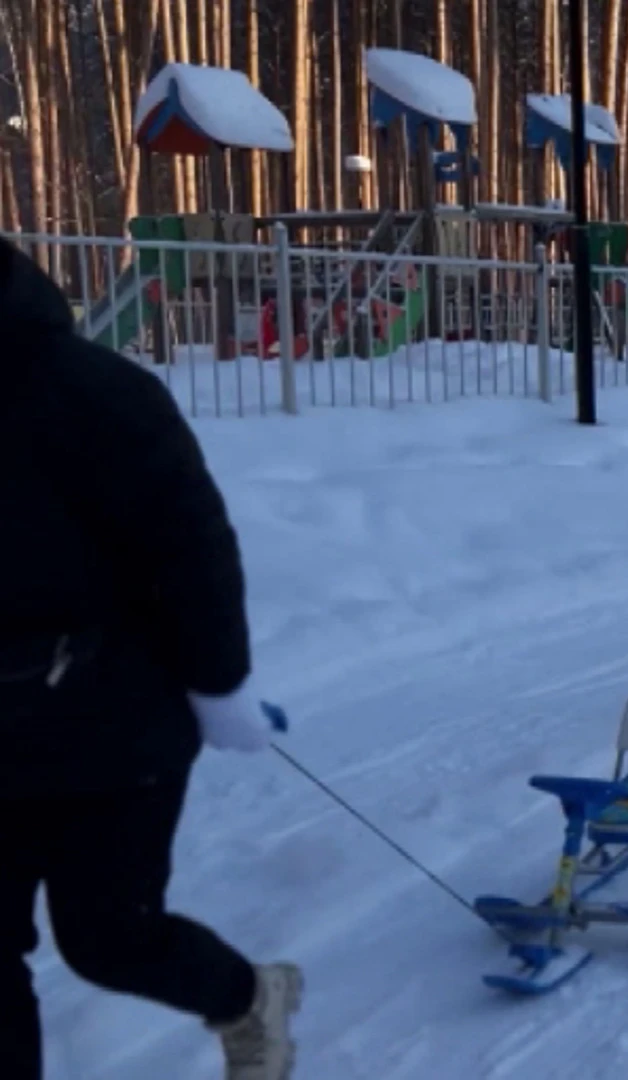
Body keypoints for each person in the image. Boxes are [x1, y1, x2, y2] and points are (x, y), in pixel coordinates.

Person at [0, 237, 302, 1080]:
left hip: (111, 723)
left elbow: (192, 550)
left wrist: (218, 685)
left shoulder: (93, 393)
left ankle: (246, 995)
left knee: (108, 940)